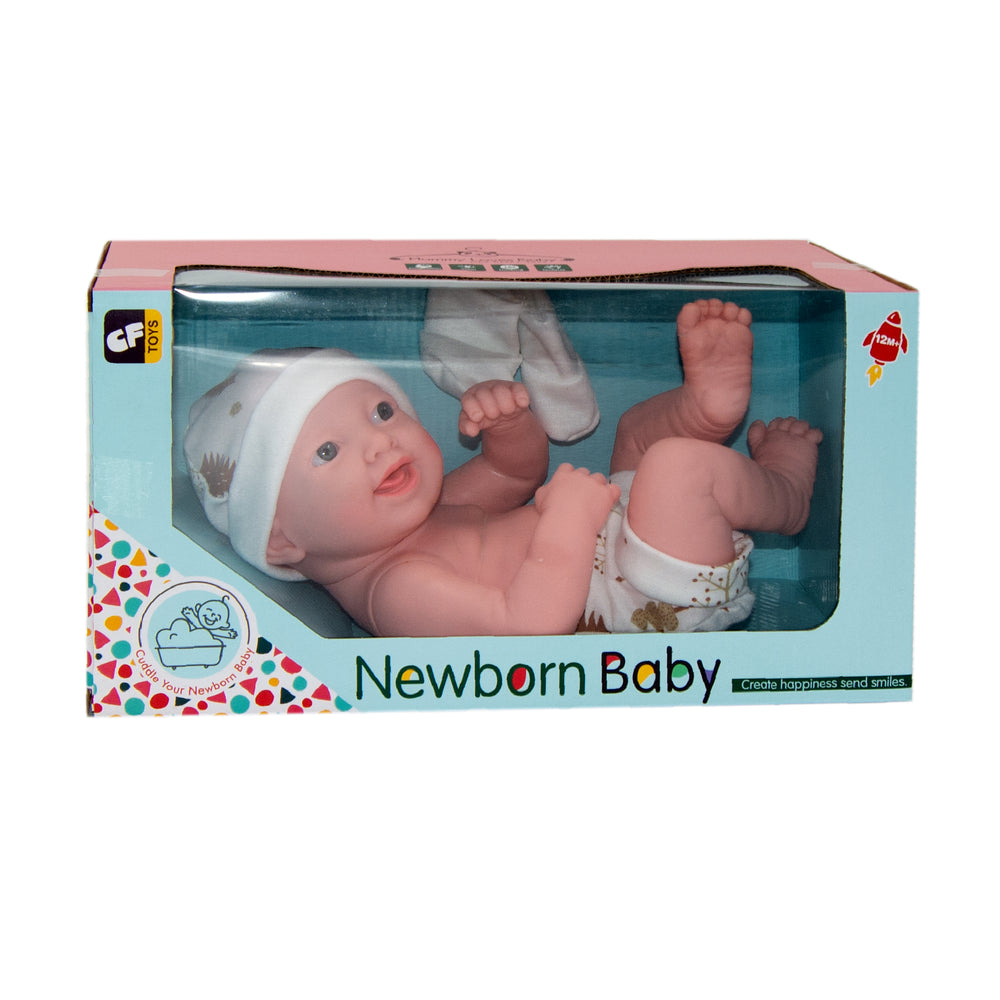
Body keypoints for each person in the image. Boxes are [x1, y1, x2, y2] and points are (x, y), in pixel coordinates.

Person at [184, 299, 822, 636]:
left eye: (381, 411)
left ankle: (706, 413)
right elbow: (531, 626)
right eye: (328, 452)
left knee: (638, 435)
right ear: (281, 539)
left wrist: (508, 427)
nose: (378, 444)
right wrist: (568, 522)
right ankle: (786, 493)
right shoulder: (393, 592)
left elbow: (516, 476)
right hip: (646, 605)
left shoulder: (432, 515)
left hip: (619, 538)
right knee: (676, 468)